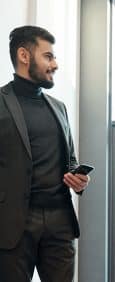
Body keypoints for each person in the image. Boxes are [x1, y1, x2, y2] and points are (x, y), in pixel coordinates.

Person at [0, 25, 90, 281]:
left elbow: (70, 160)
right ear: (24, 56)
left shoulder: (59, 108)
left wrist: (79, 179)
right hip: (13, 224)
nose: (55, 64)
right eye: (48, 56)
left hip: (60, 221)